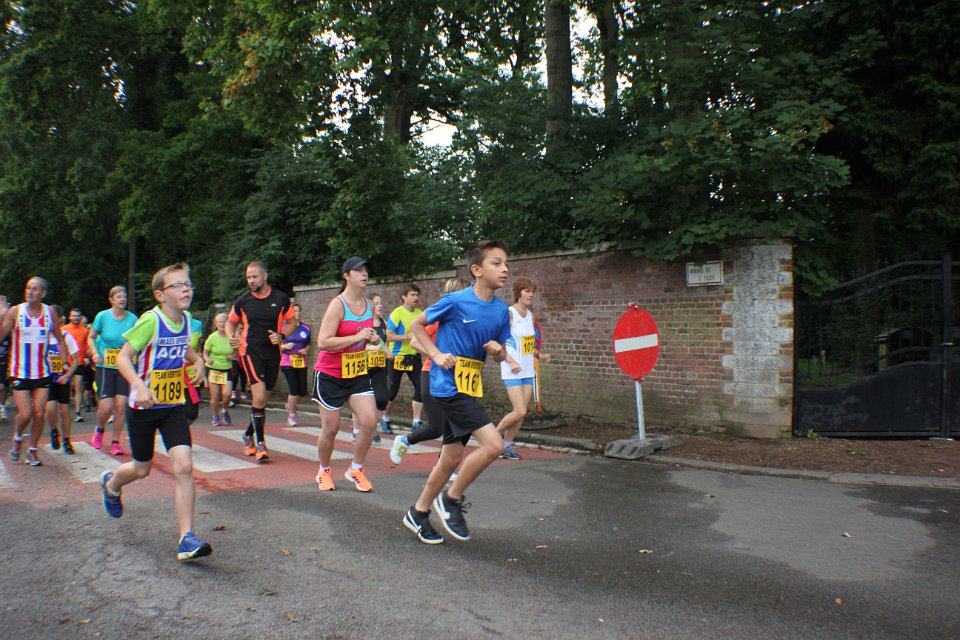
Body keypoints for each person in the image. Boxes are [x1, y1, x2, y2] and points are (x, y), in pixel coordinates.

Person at [99, 263, 212, 562]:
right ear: (160, 295)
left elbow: (185, 350)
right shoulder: (150, 321)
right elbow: (124, 358)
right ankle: (111, 484)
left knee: (184, 466)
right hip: (144, 407)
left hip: (172, 407)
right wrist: (139, 385)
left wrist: (199, 362)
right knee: (141, 469)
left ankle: (186, 538)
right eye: (178, 285)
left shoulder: (187, 320)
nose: (186, 289)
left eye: (188, 284)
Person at [401, 241, 511, 544]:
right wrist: (436, 354)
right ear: (477, 270)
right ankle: (451, 499)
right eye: (496, 263)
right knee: (494, 445)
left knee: (450, 458)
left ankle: (418, 513)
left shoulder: (501, 312)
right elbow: (417, 326)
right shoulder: (455, 301)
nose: (504, 269)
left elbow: (501, 354)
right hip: (446, 388)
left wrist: (498, 351)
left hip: (468, 387)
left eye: (506, 264)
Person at [312, 257, 380, 492]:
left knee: (370, 421)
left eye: (366, 270)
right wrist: (357, 337)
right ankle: (324, 470)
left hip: (356, 371)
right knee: (331, 429)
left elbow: (366, 334)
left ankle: (356, 469)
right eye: (358, 270)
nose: (364, 274)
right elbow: (323, 342)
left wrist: (373, 338)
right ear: (346, 276)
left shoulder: (369, 305)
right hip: (330, 373)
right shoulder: (338, 305)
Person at [390, 276, 471, 465]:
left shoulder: (467, 318)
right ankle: (404, 441)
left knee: (463, 424)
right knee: (437, 428)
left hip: (458, 376)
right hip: (433, 374)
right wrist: (437, 355)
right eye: (466, 292)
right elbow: (415, 342)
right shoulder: (439, 316)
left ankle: (444, 465)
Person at [226, 261, 298, 462]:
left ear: (265, 276)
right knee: (258, 396)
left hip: (273, 354)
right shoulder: (243, 301)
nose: (251, 281)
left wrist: (282, 336)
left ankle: (248, 434)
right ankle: (260, 443)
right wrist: (231, 336)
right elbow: (231, 322)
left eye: (254, 276)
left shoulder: (280, 299)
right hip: (250, 352)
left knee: (262, 400)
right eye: (248, 277)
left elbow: (293, 322)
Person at [0, 277, 71, 467]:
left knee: (39, 413)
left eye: (35, 289)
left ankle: (32, 451)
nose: (30, 291)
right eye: (28, 288)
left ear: (43, 293)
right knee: (26, 414)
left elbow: (60, 339)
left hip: (42, 373)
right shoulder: (16, 311)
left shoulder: (49, 313)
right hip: (20, 372)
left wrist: (64, 361)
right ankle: (17, 438)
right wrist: (1, 315)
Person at [495, 277, 551, 459]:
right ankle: (490, 437)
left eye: (532, 291)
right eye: (527, 291)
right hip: (511, 369)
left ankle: (506, 446)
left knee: (521, 413)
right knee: (519, 410)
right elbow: (498, 343)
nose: (531, 294)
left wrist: (540, 355)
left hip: (527, 370)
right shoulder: (509, 313)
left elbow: (528, 344)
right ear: (518, 293)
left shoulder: (530, 316)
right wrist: (511, 361)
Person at [87, 286, 138, 455]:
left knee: (121, 406)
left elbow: (138, 341)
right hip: (105, 367)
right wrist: (95, 353)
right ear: (111, 300)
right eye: (118, 296)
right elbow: (91, 337)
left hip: (124, 367)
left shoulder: (133, 319)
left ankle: (115, 441)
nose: (122, 299)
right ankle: (100, 429)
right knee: (106, 407)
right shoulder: (102, 316)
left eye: (124, 296)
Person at [383, 284, 424, 433]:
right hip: (397, 357)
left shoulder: (420, 313)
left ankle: (416, 422)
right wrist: (407, 336)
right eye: (412, 295)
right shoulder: (397, 313)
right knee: (392, 391)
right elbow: (388, 336)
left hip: (414, 357)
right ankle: (385, 418)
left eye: (417, 295)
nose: (415, 298)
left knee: (422, 387)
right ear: (404, 297)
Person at [352, 293, 388, 444]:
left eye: (380, 303)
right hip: (364, 366)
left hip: (379, 365)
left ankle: (372, 426)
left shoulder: (383, 322)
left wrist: (388, 352)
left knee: (382, 398)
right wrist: (372, 349)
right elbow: (356, 345)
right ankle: (357, 430)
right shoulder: (363, 323)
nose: (380, 306)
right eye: (376, 303)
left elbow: (385, 342)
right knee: (360, 398)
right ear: (370, 306)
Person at [45, 305, 80, 454]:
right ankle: (54, 431)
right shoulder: (44, 337)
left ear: (59, 319)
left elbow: (76, 359)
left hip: (62, 378)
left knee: (64, 411)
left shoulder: (66, 337)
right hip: (48, 378)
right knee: (50, 408)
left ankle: (67, 440)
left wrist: (68, 375)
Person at [280, 304, 311, 427]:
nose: (297, 313)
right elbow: (274, 344)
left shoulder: (306, 328)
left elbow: (308, 344)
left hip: (301, 361)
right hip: (287, 361)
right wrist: (284, 346)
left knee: (302, 392)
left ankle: (290, 405)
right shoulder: (283, 327)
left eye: (298, 311)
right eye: (294, 311)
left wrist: (306, 350)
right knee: (294, 390)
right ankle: (292, 416)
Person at [203, 313, 235, 426]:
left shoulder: (232, 337)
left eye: (224, 321)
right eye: (219, 322)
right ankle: (215, 416)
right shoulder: (212, 337)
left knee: (227, 394)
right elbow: (205, 353)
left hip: (226, 369)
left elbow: (237, 351)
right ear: (216, 324)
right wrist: (208, 359)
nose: (222, 324)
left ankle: (224, 410)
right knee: (215, 395)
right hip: (213, 369)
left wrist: (233, 355)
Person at [62, 308, 92, 422]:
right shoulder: (63, 329)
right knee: (66, 387)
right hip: (66, 362)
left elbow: (87, 345)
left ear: (80, 317)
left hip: (79, 362)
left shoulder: (84, 331)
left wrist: (87, 356)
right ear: (70, 317)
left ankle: (77, 412)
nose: (75, 318)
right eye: (73, 316)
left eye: (77, 316)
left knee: (78, 386)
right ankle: (64, 410)